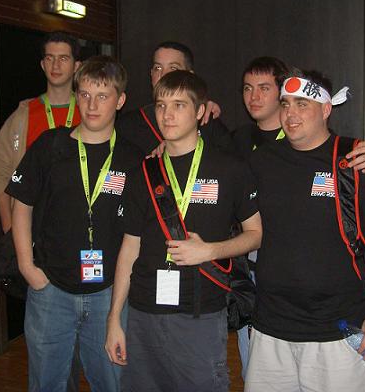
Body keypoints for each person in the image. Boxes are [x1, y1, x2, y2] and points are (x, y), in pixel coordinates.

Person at [231, 56, 365, 379]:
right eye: (285, 104)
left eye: (302, 104)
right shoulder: (261, 161)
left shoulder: (357, 159)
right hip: (271, 326)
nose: (290, 114)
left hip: (341, 327)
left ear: (326, 109)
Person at [105, 70, 262, 392]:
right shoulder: (143, 172)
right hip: (143, 311)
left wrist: (210, 250)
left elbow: (256, 233)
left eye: (179, 105)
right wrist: (114, 318)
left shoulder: (230, 168)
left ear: (200, 112)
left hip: (199, 313)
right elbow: (130, 247)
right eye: (161, 105)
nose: (167, 114)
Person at [6, 56, 143, 392]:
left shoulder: (132, 157)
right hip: (51, 289)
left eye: (103, 96)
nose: (92, 105)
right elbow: (21, 204)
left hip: (108, 294)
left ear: (120, 100)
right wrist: (26, 266)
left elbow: (135, 233)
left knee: (111, 383)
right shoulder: (50, 145)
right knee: (47, 384)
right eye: (85, 95)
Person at [0, 31, 82, 234]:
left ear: (76, 66)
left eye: (63, 58)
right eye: (50, 58)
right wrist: (9, 226)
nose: (55, 66)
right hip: (31, 227)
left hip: (77, 227)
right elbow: (0, 170)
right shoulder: (23, 114)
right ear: (42, 64)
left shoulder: (89, 112)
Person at [116, 41, 231, 154]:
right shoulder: (128, 125)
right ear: (151, 74)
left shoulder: (205, 121)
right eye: (158, 68)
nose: (163, 75)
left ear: (190, 75)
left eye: (173, 68)